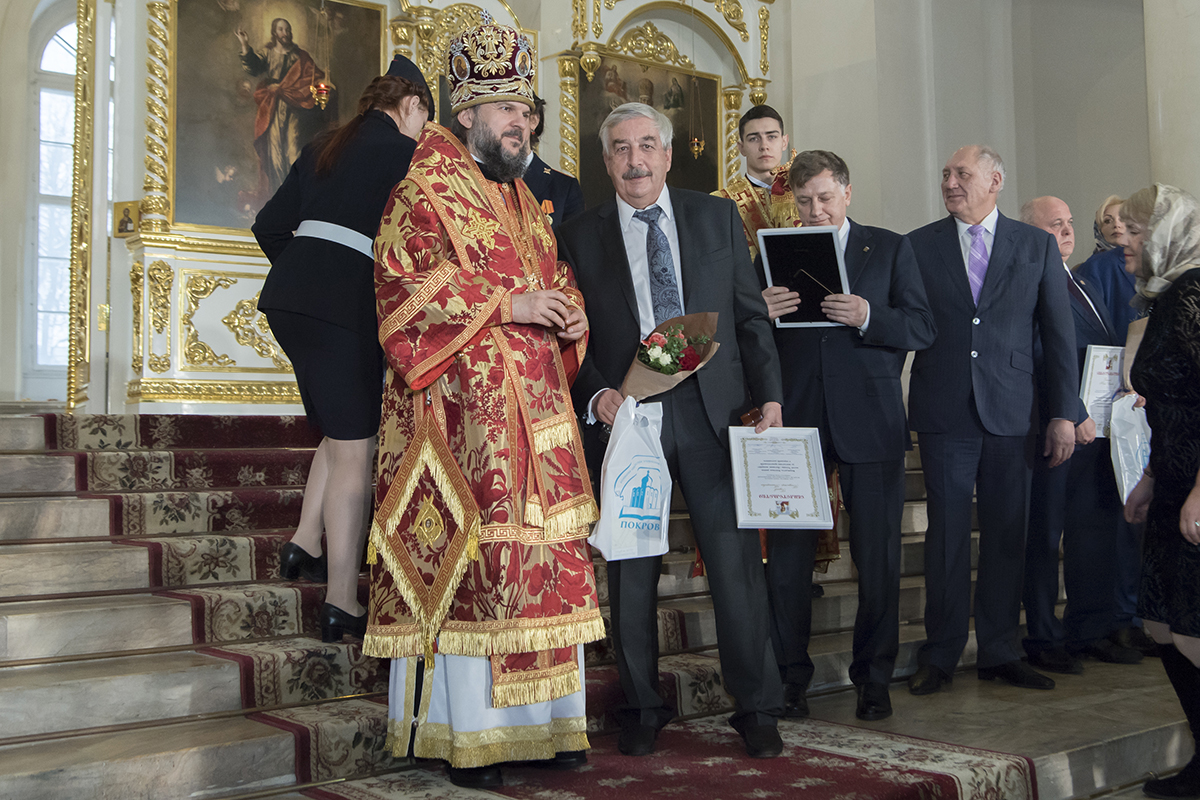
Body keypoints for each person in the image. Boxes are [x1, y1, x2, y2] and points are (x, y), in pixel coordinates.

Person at [363, 16, 602, 790]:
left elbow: (552, 279)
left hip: (537, 421)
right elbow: (402, 297)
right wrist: (511, 304)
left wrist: (568, 309)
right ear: (465, 112)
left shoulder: (527, 200)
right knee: (480, 566)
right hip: (461, 425)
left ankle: (550, 726)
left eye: (527, 110)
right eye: (506, 109)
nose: (521, 122)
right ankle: (464, 735)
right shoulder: (422, 188)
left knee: (542, 561)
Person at [558, 102, 786, 760]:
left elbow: (749, 317)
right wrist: (598, 393)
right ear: (607, 163)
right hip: (632, 422)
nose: (635, 160)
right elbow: (572, 340)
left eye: (646, 146)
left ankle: (758, 705)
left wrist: (769, 398)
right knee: (632, 569)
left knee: (737, 568)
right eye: (621, 149)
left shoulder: (716, 217)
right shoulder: (579, 236)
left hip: (714, 415)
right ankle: (639, 705)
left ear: (666, 154)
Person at [254, 57, 431, 644]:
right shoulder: (409, 156)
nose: (424, 130)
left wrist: (308, 274)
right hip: (343, 310)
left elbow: (268, 226)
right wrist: (338, 281)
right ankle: (341, 601)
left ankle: (304, 544)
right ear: (410, 105)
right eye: (424, 117)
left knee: (339, 427)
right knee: (359, 448)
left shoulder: (324, 144)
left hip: (289, 301)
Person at [761, 150, 935, 722]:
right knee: (786, 560)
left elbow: (920, 327)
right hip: (795, 418)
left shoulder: (888, 247)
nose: (815, 210)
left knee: (878, 556)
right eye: (804, 201)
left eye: (825, 198)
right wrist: (760, 311)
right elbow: (746, 336)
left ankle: (874, 678)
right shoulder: (771, 251)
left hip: (870, 417)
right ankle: (790, 680)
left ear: (848, 193)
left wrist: (867, 315)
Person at [905, 145, 1077, 696]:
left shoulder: (1035, 246)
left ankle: (1001, 650)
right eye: (946, 175)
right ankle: (941, 653)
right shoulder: (918, 246)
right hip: (945, 413)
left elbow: (1057, 335)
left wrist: (1063, 414)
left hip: (1014, 413)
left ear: (995, 180)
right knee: (947, 537)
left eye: (963, 174)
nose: (950, 183)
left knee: (1008, 535)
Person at [1019, 196, 1143, 676]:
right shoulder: (1027, 283)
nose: (1066, 231)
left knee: (1093, 533)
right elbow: (1039, 353)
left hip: (1097, 429)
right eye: (1055, 225)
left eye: (1070, 223)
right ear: (1031, 234)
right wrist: (1069, 411)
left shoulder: (1081, 281)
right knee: (1046, 536)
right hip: (1054, 427)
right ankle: (1043, 636)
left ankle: (1089, 629)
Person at [1122, 184, 1200, 800]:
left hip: (1198, 487)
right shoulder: (1167, 296)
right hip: (1173, 480)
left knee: (1194, 630)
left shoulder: (1195, 293)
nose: (1124, 239)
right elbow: (1167, 406)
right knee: (1161, 625)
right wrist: (1151, 477)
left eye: (1137, 228)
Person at [236, 18, 324, 196]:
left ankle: (297, 192)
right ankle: (280, 194)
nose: (285, 33)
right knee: (274, 151)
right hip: (272, 108)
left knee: (293, 148)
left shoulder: (300, 56)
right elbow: (254, 68)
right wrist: (245, 45)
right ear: (275, 33)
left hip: (294, 106)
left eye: (288, 29)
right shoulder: (267, 53)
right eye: (281, 30)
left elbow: (315, 76)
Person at [711, 105, 801, 262]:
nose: (764, 146)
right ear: (741, 147)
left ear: (784, 142)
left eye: (771, 136)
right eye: (754, 138)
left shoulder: (803, 191)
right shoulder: (721, 201)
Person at [1077, 195, 1144, 340]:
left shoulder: (1148, 261)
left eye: (1123, 219)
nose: (1116, 225)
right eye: (1108, 221)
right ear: (1099, 229)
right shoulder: (1093, 267)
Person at [523, 94, 584, 229]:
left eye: (520, 114)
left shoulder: (563, 188)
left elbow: (572, 248)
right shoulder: (472, 181)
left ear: (533, 120)